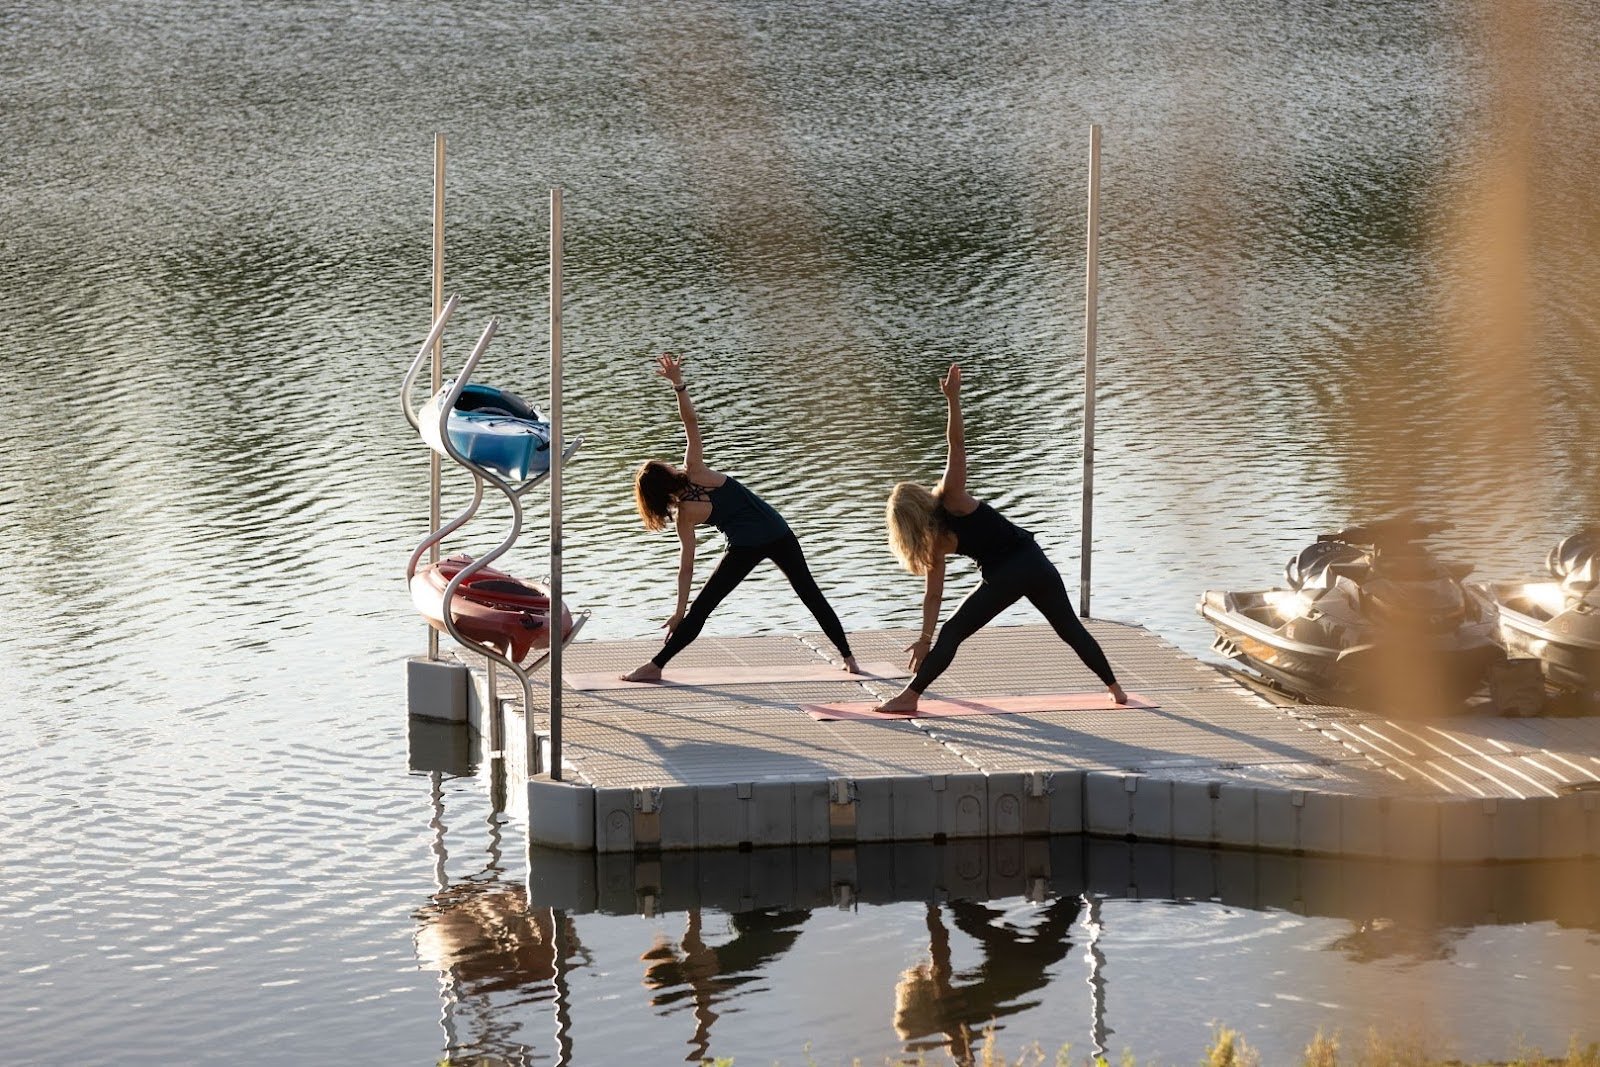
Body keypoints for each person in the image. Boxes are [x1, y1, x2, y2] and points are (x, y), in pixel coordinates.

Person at [875, 363, 1126, 713]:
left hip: (1005, 574)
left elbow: (934, 596)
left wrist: (926, 638)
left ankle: (909, 697)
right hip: (1035, 561)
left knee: (952, 633)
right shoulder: (951, 500)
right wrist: (952, 400)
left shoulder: (947, 507)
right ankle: (1115, 689)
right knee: (1069, 628)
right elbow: (957, 446)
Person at [623, 352, 860, 681]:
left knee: (702, 607)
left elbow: (686, 566)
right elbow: (691, 424)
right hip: (777, 531)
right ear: (666, 473)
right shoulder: (696, 470)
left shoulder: (685, 515)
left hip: (746, 546)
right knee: (809, 593)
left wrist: (679, 612)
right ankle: (849, 659)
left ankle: (656, 666)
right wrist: (678, 385)